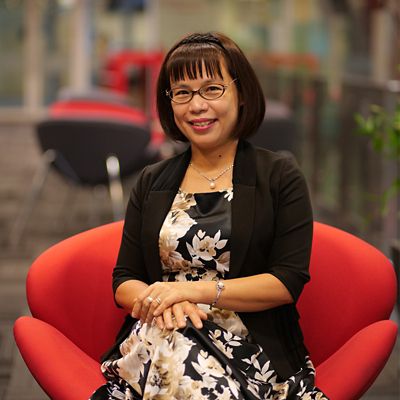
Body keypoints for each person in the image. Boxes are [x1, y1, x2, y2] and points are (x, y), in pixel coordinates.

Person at [90, 32, 328, 400]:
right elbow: (125, 280)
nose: (196, 105)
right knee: (173, 349)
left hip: (251, 347)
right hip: (161, 331)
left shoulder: (279, 176)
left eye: (211, 89)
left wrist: (194, 291)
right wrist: (170, 303)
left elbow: (286, 282)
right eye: (182, 93)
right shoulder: (153, 180)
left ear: (242, 93)